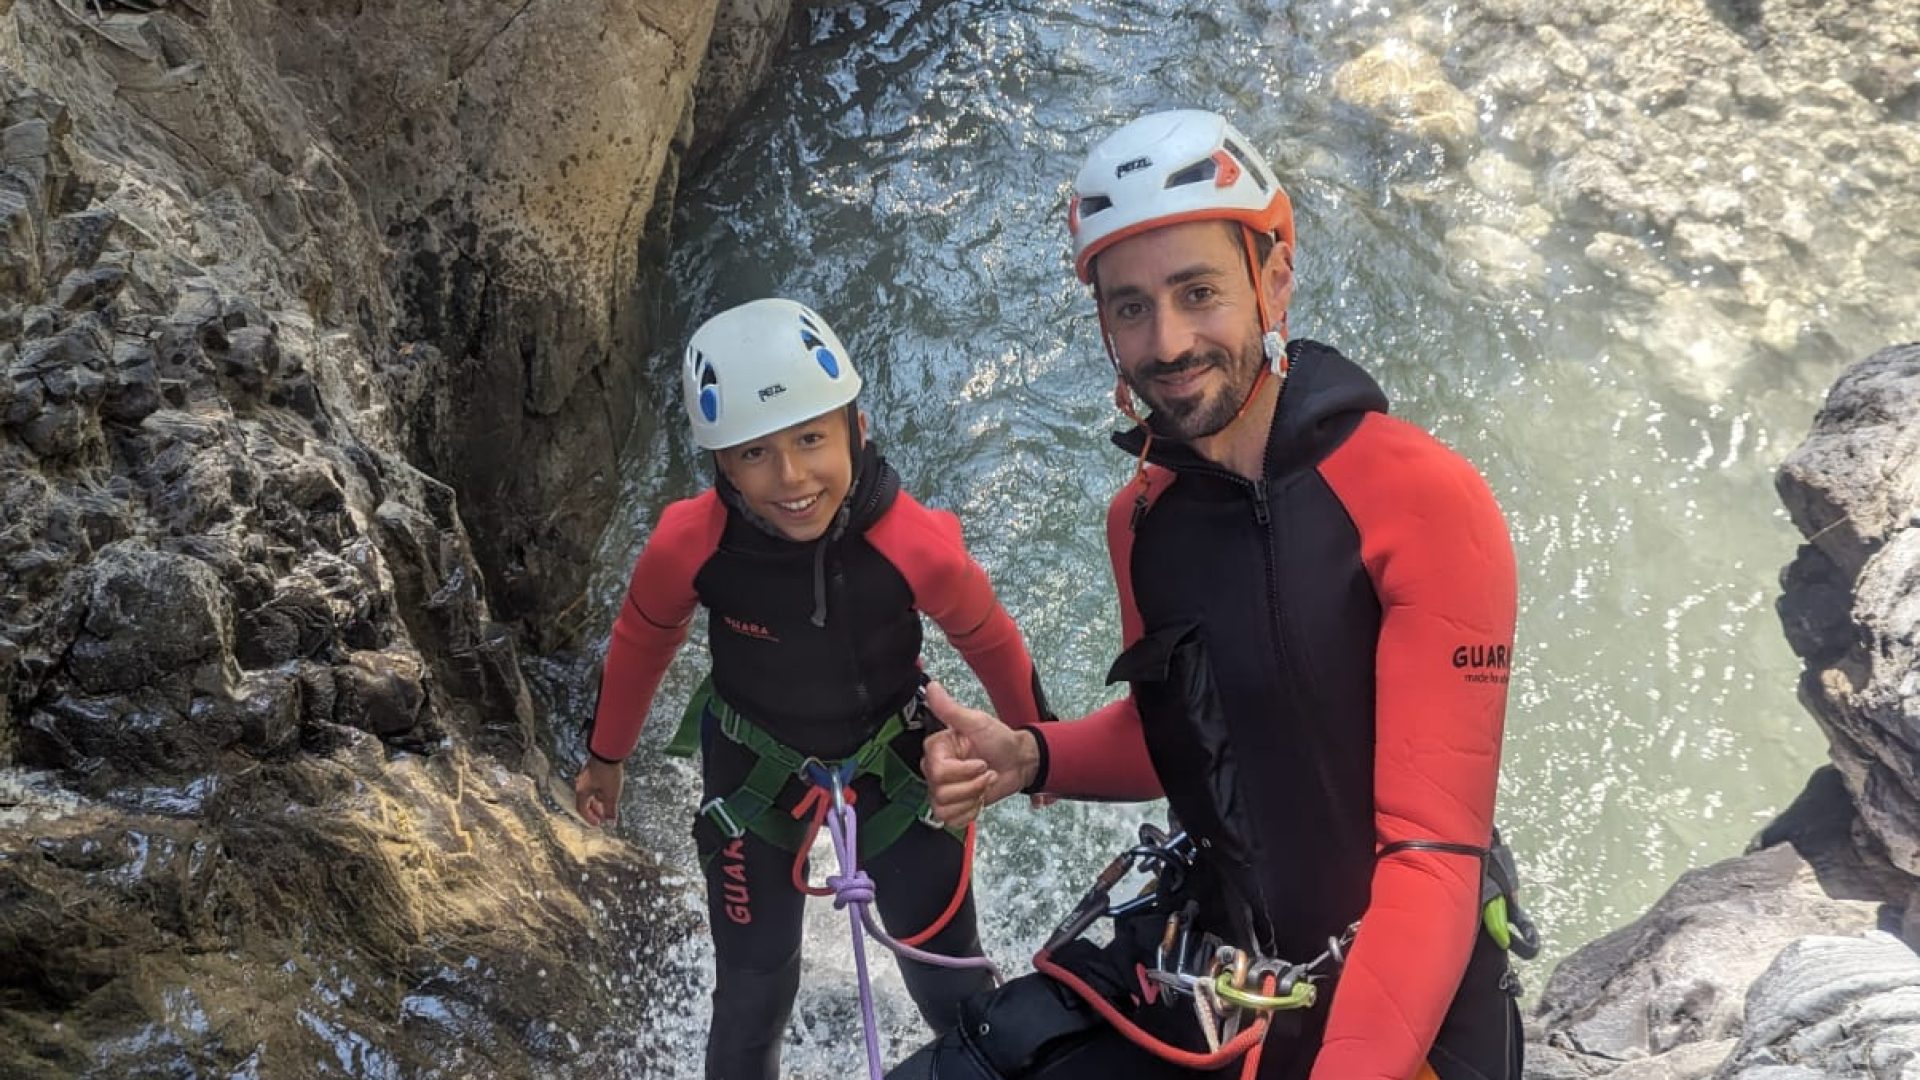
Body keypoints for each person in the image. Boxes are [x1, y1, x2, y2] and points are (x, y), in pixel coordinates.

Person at [900, 109, 1524, 1080]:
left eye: (1199, 292)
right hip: (1224, 969)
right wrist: (1032, 757)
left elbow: (1432, 860)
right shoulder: (1144, 521)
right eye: (1131, 307)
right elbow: (1178, 732)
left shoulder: (1421, 502)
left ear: (1274, 279)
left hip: (1411, 1006)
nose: (1169, 342)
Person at [575, 297, 1054, 1080]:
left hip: (898, 767)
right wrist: (608, 757)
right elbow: (643, 642)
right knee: (750, 1002)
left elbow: (990, 638)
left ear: (855, 430)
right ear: (721, 464)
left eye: (810, 440)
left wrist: (1040, 747)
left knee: (954, 987)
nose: (791, 478)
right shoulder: (688, 545)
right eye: (755, 454)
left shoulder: (913, 543)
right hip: (752, 777)